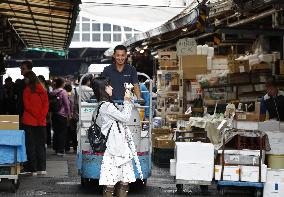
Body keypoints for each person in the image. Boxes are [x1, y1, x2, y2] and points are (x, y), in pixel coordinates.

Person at [92, 77, 142, 197]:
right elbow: (125, 118)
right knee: (116, 181)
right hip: (116, 148)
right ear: (103, 89)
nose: (112, 87)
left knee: (116, 180)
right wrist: (127, 100)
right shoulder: (107, 106)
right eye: (109, 86)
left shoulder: (105, 105)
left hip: (117, 146)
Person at [21, 71, 49, 176]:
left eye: (26, 78)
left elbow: (27, 106)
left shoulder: (27, 90)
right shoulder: (43, 90)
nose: (25, 80)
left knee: (30, 145)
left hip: (29, 121)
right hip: (41, 122)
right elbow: (46, 105)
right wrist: (41, 116)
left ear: (30, 79)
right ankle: (42, 168)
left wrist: (36, 115)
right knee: (41, 145)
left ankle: (32, 169)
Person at [51, 78, 71, 156]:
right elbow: (66, 104)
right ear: (62, 84)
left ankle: (56, 149)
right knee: (62, 133)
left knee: (56, 132)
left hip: (54, 114)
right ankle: (60, 150)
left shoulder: (52, 92)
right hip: (62, 115)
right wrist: (69, 114)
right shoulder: (63, 92)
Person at [64, 83, 78, 153]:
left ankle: (67, 148)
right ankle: (75, 148)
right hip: (73, 116)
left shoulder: (64, 95)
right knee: (73, 133)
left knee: (67, 132)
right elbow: (75, 105)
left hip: (66, 116)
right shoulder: (73, 95)